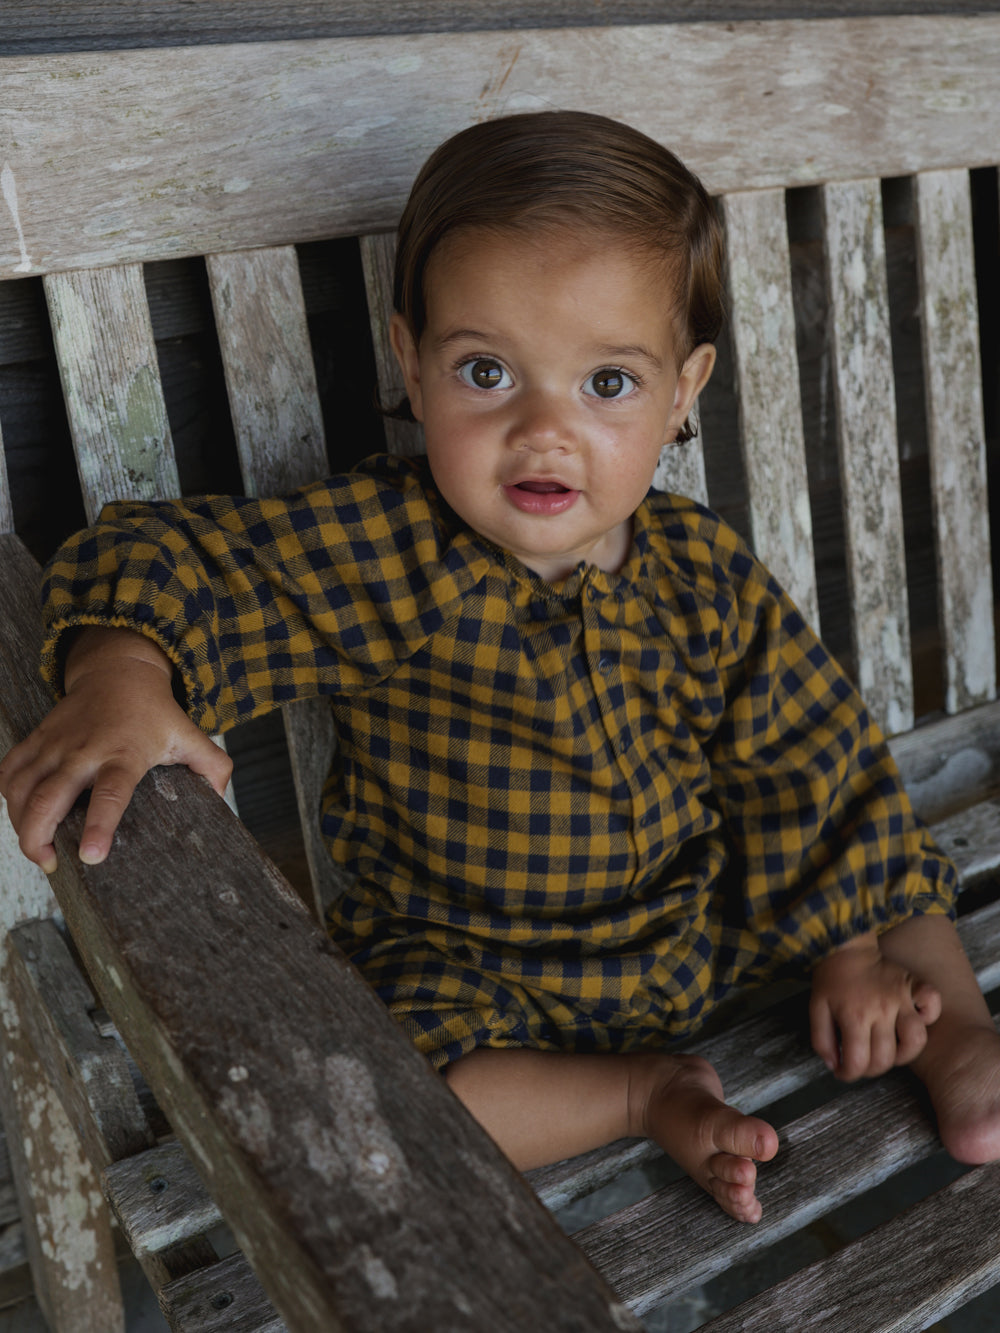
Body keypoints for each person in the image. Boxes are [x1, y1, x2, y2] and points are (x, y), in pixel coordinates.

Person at [2, 110, 999, 1226]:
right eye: (486, 370)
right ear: (413, 367)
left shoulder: (700, 573)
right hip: (478, 968)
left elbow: (806, 765)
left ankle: (958, 1034)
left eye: (607, 384)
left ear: (683, 389)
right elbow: (171, 562)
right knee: (374, 1099)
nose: (542, 430)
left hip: (699, 922)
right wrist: (123, 673)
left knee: (880, 841)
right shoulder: (389, 552)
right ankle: (638, 1094)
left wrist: (848, 946)